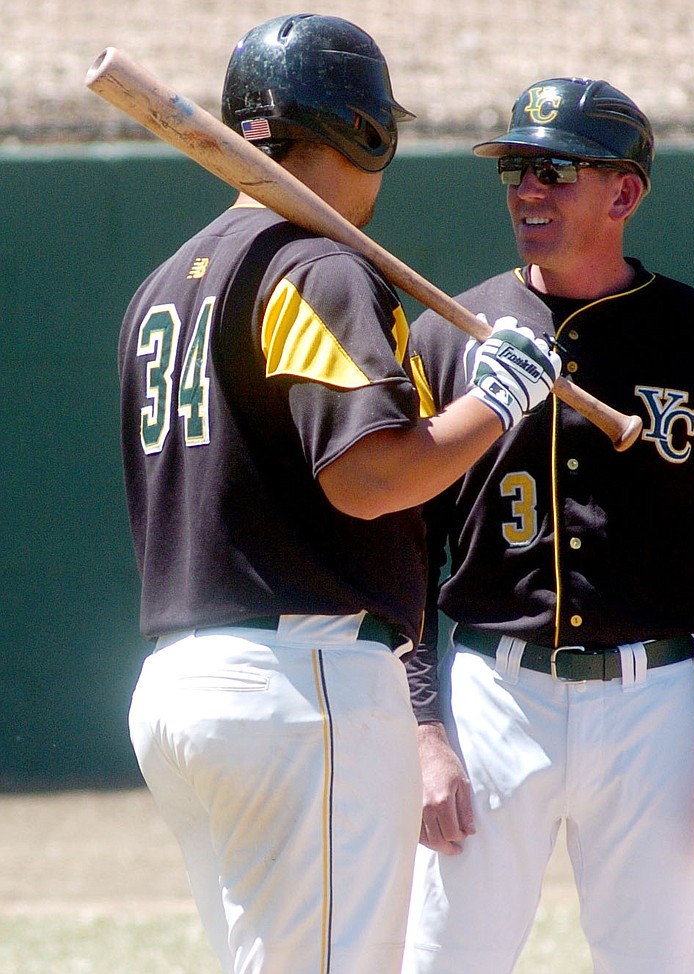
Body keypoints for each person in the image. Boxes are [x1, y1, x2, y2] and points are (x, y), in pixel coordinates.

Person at [120, 16, 561, 974]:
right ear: (365, 130)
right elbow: (369, 479)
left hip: (187, 688)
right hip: (299, 680)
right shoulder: (318, 267)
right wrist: (496, 403)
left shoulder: (166, 283)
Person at [402, 77, 694, 974]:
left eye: (556, 169)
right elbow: (399, 549)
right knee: (445, 960)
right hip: (491, 694)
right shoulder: (451, 333)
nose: (527, 188)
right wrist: (424, 730)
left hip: (656, 703)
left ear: (624, 193)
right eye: (516, 166)